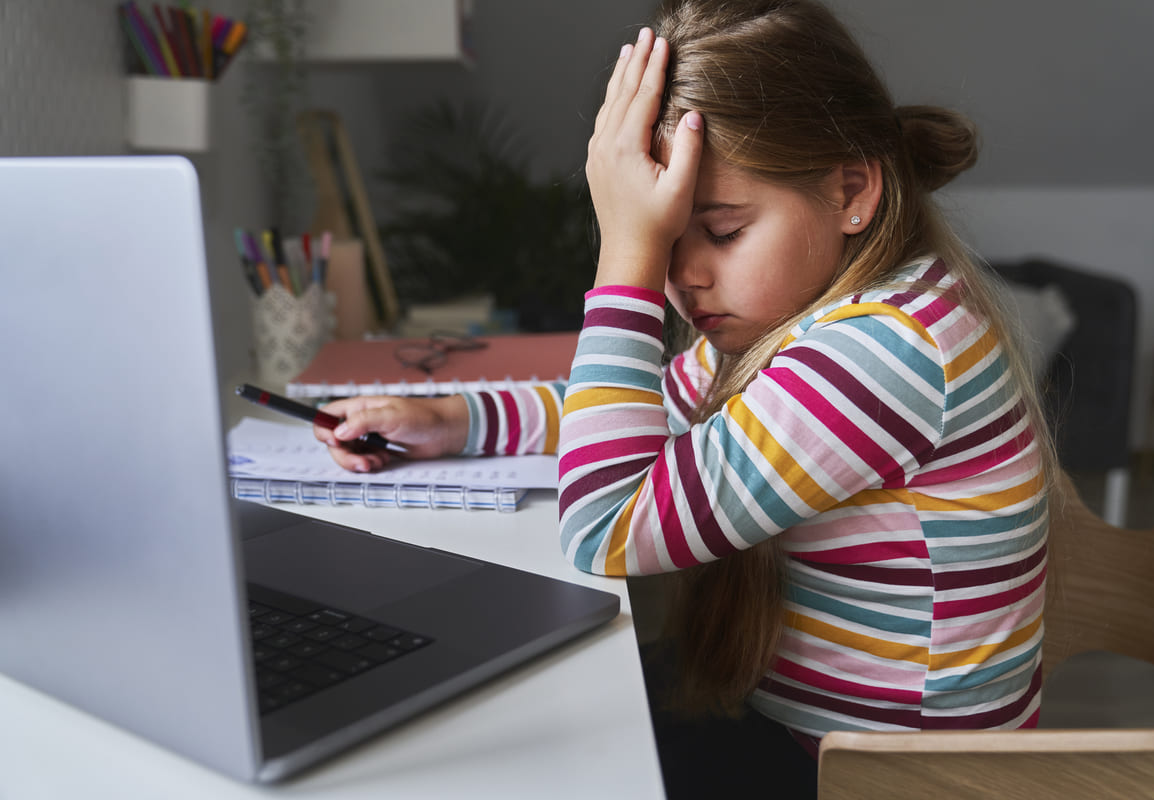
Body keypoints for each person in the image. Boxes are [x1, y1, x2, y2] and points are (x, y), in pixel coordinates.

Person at [315, 1, 1055, 796]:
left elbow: (606, 528)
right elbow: (647, 414)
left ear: (852, 189)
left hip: (887, 781)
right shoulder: (815, 316)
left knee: (530, 750)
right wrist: (456, 419)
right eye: (667, 242)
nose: (683, 277)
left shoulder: (889, 351)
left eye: (724, 230)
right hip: (817, 736)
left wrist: (625, 253)